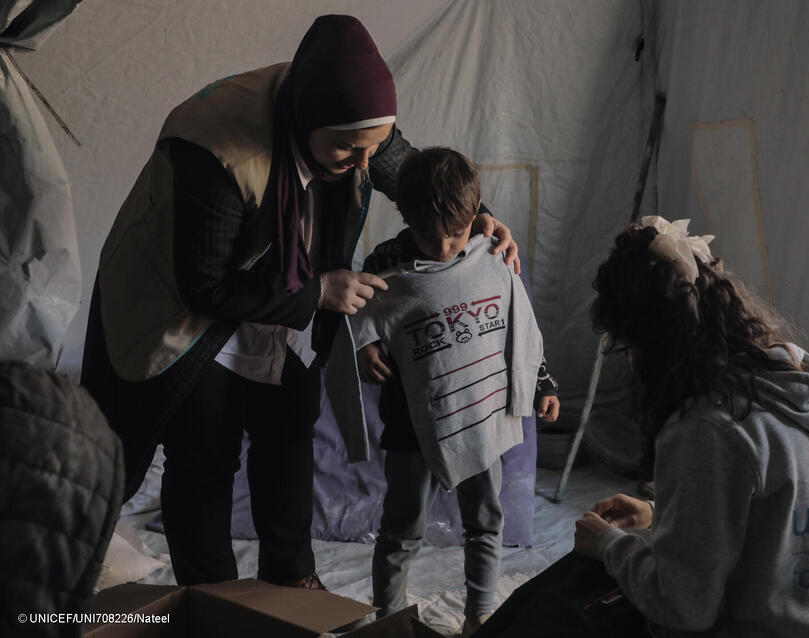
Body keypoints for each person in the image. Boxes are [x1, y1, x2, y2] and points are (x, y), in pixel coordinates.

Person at [80, 15, 519, 589]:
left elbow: (414, 177)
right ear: (308, 118)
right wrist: (317, 292)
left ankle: (291, 583)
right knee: (205, 453)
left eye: (373, 146)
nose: (363, 163)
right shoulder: (214, 149)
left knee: (288, 433)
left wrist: (472, 217)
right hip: (192, 312)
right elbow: (206, 286)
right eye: (348, 148)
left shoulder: (353, 123)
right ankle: (211, 596)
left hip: (289, 294)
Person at [475, 217, 809, 637]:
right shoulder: (790, 384)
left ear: (653, 343)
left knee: (563, 597)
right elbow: (766, 526)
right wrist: (659, 514)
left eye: (629, 345)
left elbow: (683, 606)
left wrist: (608, 543)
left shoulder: (707, 428)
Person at [348, 148, 560, 636]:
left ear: (477, 212)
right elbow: (359, 315)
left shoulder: (493, 251)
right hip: (411, 423)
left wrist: (542, 381)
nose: (444, 248)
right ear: (405, 216)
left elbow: (517, 321)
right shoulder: (387, 263)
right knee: (402, 527)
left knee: (485, 520)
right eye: (429, 237)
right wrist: (364, 345)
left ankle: (479, 613)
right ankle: (390, 618)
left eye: (456, 234)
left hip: (481, 418)